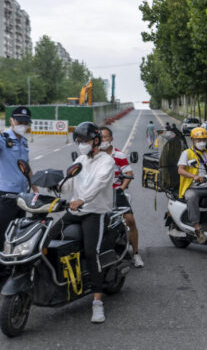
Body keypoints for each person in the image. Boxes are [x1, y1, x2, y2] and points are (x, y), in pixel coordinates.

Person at [64, 121, 115, 323]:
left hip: (95, 211)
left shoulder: (107, 161)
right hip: (75, 211)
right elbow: (69, 183)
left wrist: (82, 200)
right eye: (78, 141)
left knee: (91, 252)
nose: (81, 144)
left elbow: (99, 184)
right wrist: (56, 186)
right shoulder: (80, 159)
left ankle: (97, 302)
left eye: (84, 140)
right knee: (49, 235)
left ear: (95, 140)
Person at [0, 106, 36, 290]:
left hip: (23, 195)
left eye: (26, 122)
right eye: (20, 121)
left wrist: (34, 187)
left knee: (18, 236)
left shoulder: (24, 142)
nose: (23, 125)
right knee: (2, 236)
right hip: (6, 195)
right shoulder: (3, 138)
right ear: (12, 121)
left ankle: (14, 270)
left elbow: (26, 167)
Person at [99, 126, 144, 268]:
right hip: (98, 194)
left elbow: (129, 174)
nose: (102, 140)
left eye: (105, 137)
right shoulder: (94, 156)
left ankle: (136, 254)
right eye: (100, 137)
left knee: (130, 220)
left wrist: (121, 190)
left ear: (111, 139)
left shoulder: (119, 156)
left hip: (115, 192)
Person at [177, 127, 207, 243]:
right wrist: (194, 176)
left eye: (203, 140)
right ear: (192, 140)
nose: (201, 142)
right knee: (191, 197)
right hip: (193, 187)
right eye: (198, 140)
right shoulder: (187, 153)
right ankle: (197, 228)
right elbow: (180, 170)